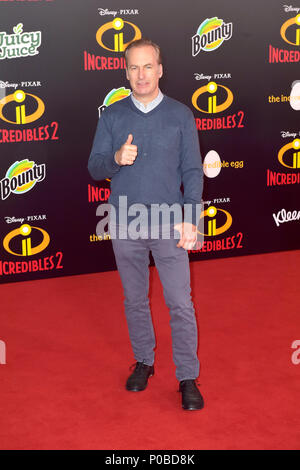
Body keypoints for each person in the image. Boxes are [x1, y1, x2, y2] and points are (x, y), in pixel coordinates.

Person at [88, 38, 204, 410]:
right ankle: (144, 361)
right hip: (124, 223)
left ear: (160, 69)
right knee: (135, 300)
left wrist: (192, 219)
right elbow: (94, 168)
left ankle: (187, 376)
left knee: (180, 303)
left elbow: (192, 171)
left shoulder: (180, 115)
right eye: (134, 67)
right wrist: (116, 158)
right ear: (126, 72)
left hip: (170, 223)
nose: (141, 74)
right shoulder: (112, 116)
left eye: (148, 66)